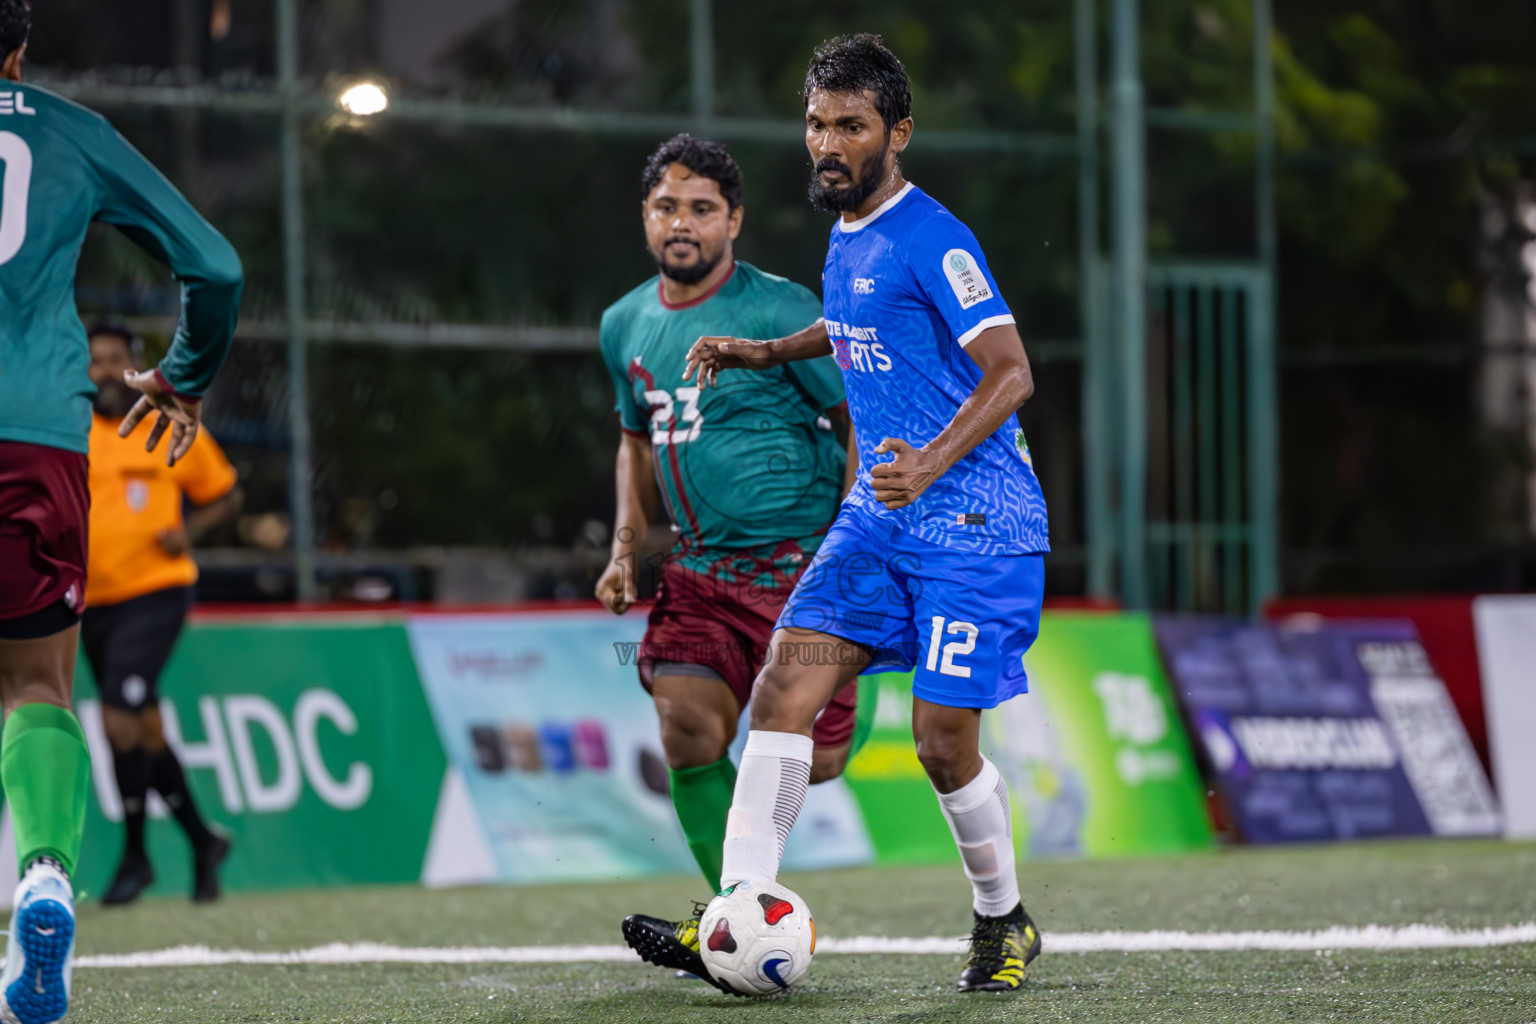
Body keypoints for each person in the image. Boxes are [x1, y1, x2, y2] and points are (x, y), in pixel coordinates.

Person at [684, 34, 1050, 992]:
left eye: (850, 125)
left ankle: (1003, 919)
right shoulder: (849, 230)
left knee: (941, 741)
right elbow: (857, 328)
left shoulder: (936, 235)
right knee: (783, 687)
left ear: (898, 132)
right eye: (816, 123)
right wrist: (769, 352)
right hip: (880, 523)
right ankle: (737, 909)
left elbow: (1012, 372)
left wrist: (928, 462)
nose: (828, 142)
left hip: (976, 525)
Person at [0, 2, 243, 1019]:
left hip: (148, 573)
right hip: (36, 436)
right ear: (16, 45)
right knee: (36, 684)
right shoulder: (66, 129)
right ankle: (47, 874)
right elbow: (215, 266)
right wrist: (185, 375)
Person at [595, 134, 869, 988]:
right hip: (702, 573)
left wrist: (861, 540)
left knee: (820, 762)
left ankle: (737, 909)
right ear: (645, 217)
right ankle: (732, 921)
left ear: (734, 220)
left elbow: (857, 419)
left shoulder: (781, 310)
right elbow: (633, 443)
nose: (682, 223)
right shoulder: (623, 323)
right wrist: (624, 550)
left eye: (701, 208)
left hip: (804, 572)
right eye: (666, 207)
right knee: (685, 726)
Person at [83, 323, 242, 906]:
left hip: (156, 591)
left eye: (113, 360)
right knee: (145, 729)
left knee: (119, 719)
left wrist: (190, 530)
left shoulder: (165, 423)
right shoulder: (74, 431)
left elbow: (227, 492)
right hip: (93, 601)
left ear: (134, 367)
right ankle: (203, 841)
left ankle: (135, 857)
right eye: (93, 359)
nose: (102, 370)